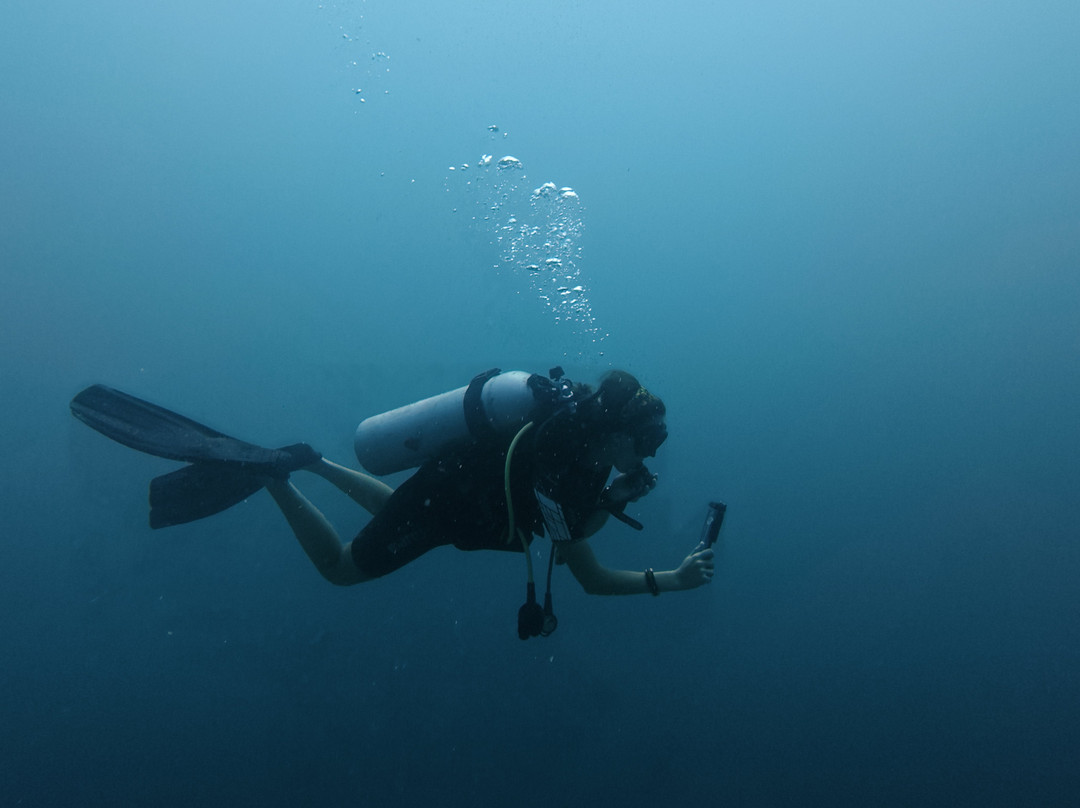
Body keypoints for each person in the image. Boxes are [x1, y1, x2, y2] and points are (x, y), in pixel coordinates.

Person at [70, 368, 714, 635]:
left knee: (403, 514)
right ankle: (276, 477)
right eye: (646, 445)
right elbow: (590, 576)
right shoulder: (565, 471)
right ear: (617, 433)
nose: (649, 458)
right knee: (344, 569)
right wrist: (673, 581)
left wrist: (612, 494)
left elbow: (569, 530)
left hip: (452, 490)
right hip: (451, 503)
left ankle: (314, 462)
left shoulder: (566, 442)